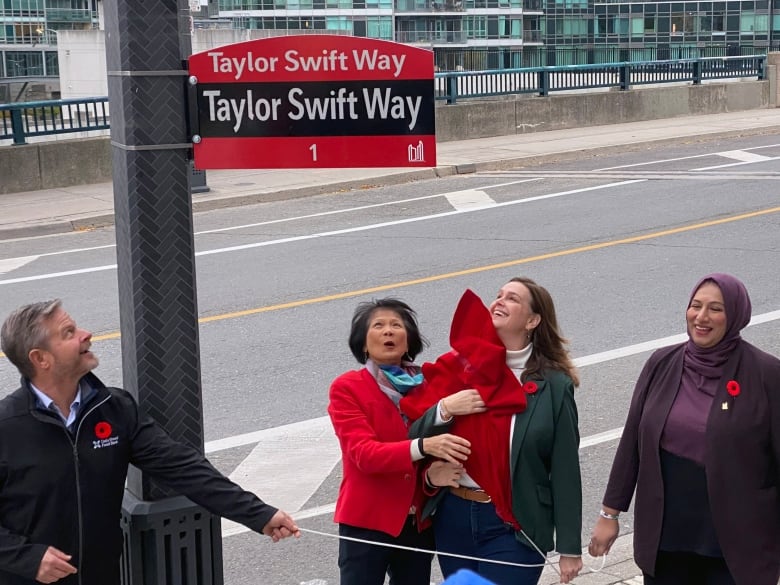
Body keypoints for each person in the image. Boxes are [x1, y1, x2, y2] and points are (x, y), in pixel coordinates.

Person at [0, 300, 300, 585]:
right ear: (41, 359)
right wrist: (26, 558)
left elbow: (182, 467)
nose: (85, 335)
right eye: (69, 333)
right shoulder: (6, 426)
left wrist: (258, 513)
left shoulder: (115, 408)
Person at [589, 273, 780, 585]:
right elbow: (631, 446)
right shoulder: (662, 363)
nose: (701, 317)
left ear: (735, 316)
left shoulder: (767, 374)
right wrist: (609, 514)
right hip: (667, 538)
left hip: (737, 545)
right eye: (696, 306)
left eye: (716, 309)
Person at [402, 278, 583, 585]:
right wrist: (444, 409)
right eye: (497, 295)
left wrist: (569, 548)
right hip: (455, 518)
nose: (498, 301)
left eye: (512, 298)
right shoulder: (458, 367)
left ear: (532, 320)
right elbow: (414, 437)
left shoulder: (554, 385)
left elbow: (565, 469)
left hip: (513, 524)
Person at [327, 298, 482, 585]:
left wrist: (431, 480)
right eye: (379, 325)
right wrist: (423, 446)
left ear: (408, 340)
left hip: (416, 524)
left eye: (396, 325)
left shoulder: (429, 385)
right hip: (367, 523)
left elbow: (435, 457)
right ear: (363, 343)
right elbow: (364, 454)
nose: (388, 331)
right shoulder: (348, 388)